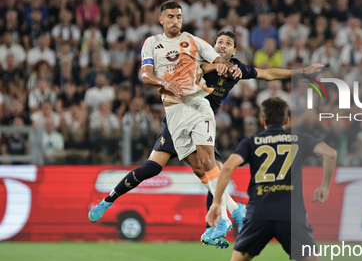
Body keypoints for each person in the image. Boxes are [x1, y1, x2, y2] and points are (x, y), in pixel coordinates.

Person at [88, 28, 323, 246]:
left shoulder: (237, 69)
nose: (222, 46)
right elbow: (196, 69)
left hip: (203, 123)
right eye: (219, 42)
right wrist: (215, 67)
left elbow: (268, 73)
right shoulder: (201, 59)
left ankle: (211, 229)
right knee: (153, 168)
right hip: (180, 117)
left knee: (213, 171)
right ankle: (108, 200)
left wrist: (301, 72)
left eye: (228, 43)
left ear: (234, 50)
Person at [193, 97, 337, 261]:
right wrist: (324, 186)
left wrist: (216, 204)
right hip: (291, 218)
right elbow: (330, 153)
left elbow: (226, 168)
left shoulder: (252, 142)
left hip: (257, 215)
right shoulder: (299, 139)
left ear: (262, 121)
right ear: (287, 120)